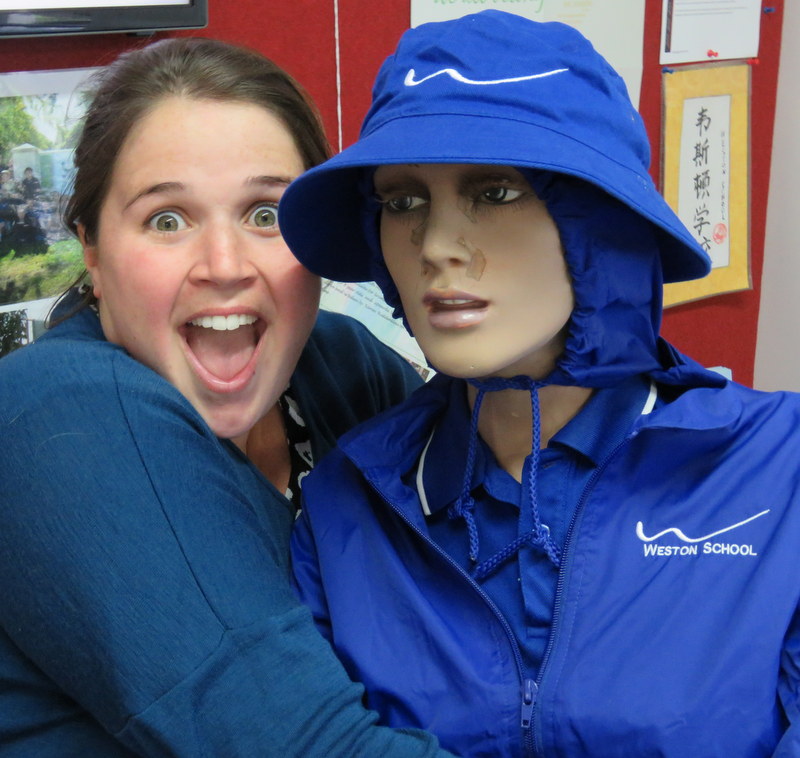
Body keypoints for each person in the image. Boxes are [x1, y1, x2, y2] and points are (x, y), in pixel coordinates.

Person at [282, 11, 800, 757]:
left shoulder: (779, 474)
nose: (436, 246)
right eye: (403, 202)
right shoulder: (349, 503)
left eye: (494, 192)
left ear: (600, 226)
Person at [0, 37, 456, 758]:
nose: (224, 265)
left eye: (266, 214)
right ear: (91, 248)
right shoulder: (60, 417)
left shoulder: (341, 369)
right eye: (167, 220)